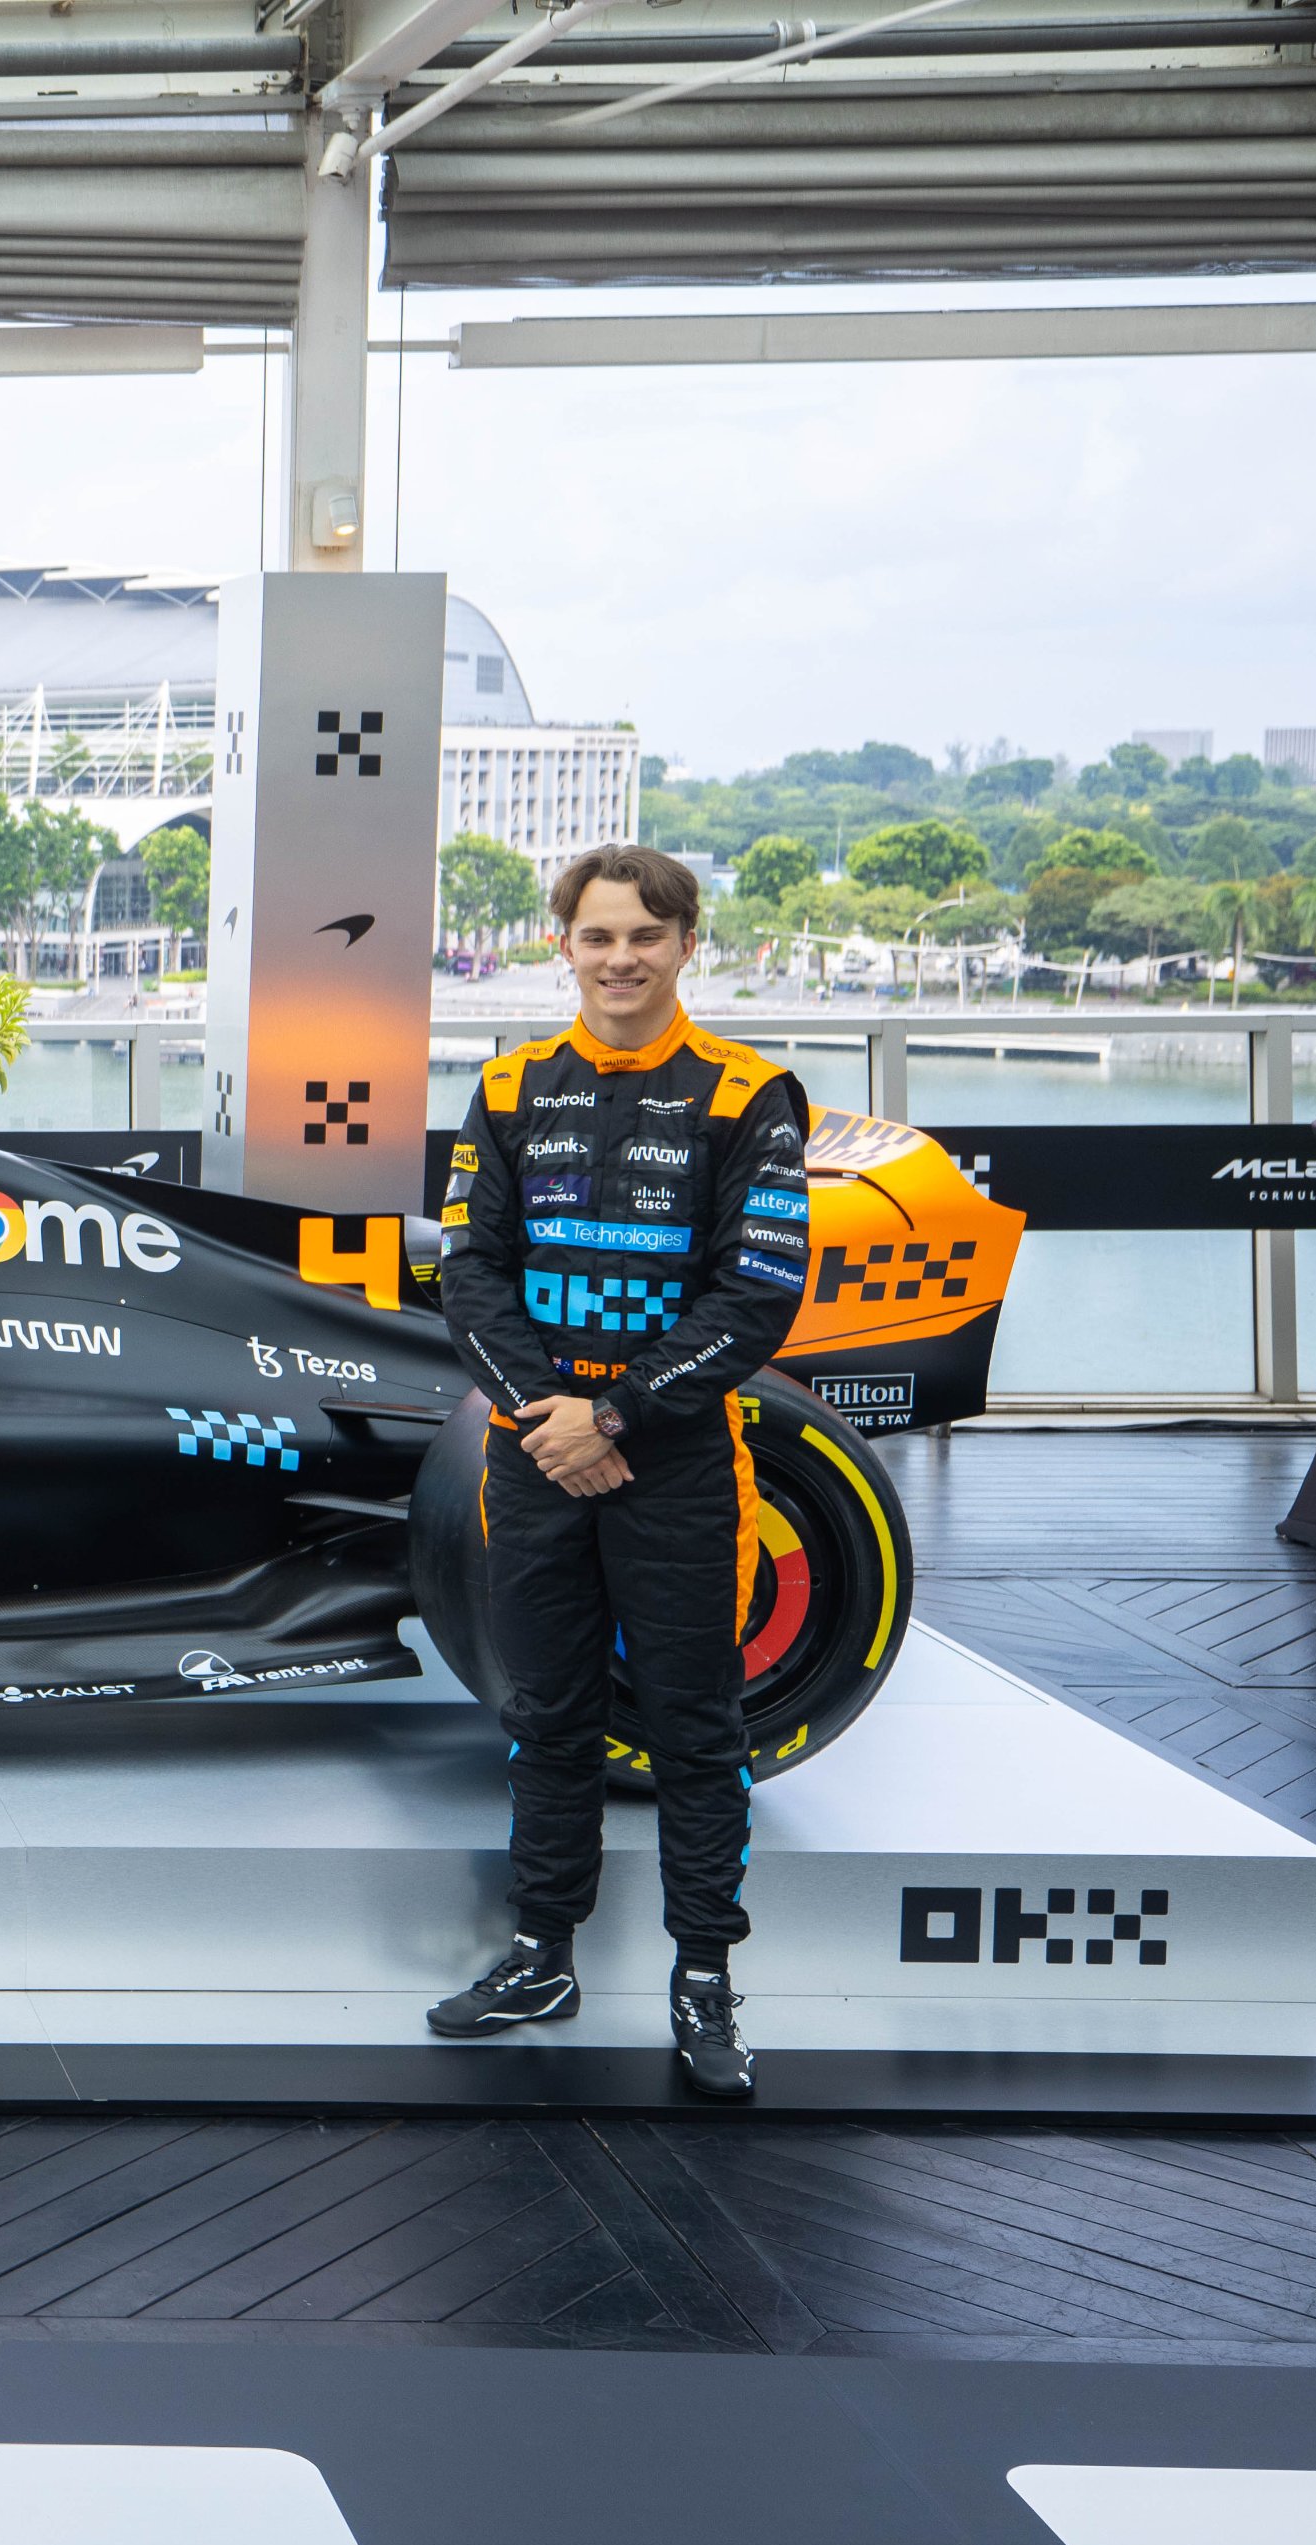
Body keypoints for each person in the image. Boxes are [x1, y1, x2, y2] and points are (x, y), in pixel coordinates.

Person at [424, 842, 811, 2099]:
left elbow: (756, 1295)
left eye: (646, 935)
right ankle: (542, 1953)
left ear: (689, 942)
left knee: (697, 1726)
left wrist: (617, 1418)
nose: (621, 958)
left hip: (681, 1461)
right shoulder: (507, 1083)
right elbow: (466, 1270)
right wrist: (557, 1418)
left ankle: (704, 1980)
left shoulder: (752, 1093)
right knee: (547, 1719)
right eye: (597, 936)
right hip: (532, 1453)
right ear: (563, 947)